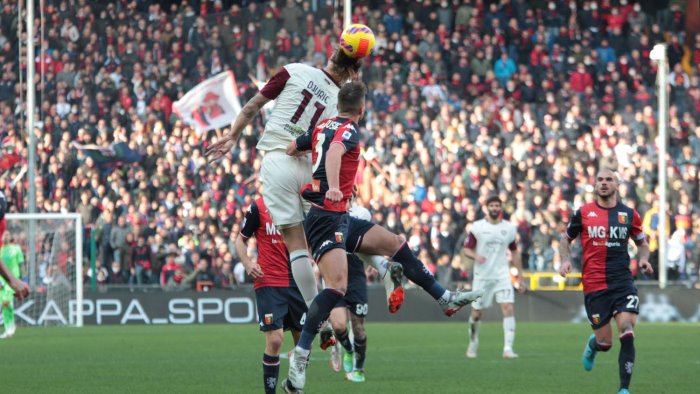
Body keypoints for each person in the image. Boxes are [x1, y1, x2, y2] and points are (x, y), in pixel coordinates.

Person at [283, 81, 482, 393]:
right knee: (337, 288)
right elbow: (335, 150)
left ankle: (444, 298)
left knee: (396, 244)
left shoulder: (324, 125)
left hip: (340, 216)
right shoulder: (349, 129)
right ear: (362, 109)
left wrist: (307, 172)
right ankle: (301, 355)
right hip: (326, 214)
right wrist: (332, 184)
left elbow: (294, 147)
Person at [206, 48, 405, 315]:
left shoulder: (294, 70)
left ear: (333, 55)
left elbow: (253, 105)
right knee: (334, 232)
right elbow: (335, 144)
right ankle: (383, 268)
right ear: (352, 71)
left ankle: (316, 315)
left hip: (279, 160)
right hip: (312, 169)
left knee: (296, 242)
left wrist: (233, 135)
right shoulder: (341, 101)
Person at [560, 170, 653, 394]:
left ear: (617, 185)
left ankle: (623, 389)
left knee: (627, 331)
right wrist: (565, 260)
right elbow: (565, 239)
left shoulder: (629, 214)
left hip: (622, 282)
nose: (603, 183)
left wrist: (643, 259)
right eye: (600, 179)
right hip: (594, 284)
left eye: (608, 179)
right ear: (595, 185)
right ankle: (594, 344)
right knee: (606, 344)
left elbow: (642, 242)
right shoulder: (582, 213)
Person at [234, 195, 307, 394]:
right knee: (274, 340)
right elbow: (239, 241)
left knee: (303, 344)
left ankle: (292, 386)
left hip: (297, 281)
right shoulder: (258, 206)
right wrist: (248, 263)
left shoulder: (298, 204)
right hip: (268, 281)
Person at [464, 195, 525, 359]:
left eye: (497, 205)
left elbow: (515, 253)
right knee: (477, 313)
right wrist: (476, 257)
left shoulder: (509, 228)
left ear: (501, 208)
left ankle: (508, 349)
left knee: (508, 308)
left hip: (502, 276)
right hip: (482, 276)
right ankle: (473, 341)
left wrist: (520, 277)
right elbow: (467, 249)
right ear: (486, 208)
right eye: (491, 205)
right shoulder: (477, 227)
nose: (494, 208)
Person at [329, 205, 374, 383]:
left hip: (356, 277)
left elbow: (369, 239)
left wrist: (374, 261)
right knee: (339, 325)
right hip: (334, 275)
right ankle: (347, 350)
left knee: (358, 327)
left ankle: (359, 370)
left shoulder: (362, 213)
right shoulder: (327, 210)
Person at [0, 192, 30, 339]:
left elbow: (21, 263)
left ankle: (10, 328)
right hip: (4, 279)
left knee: (6, 302)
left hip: (10, 278)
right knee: (5, 303)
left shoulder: (15, 247)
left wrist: (19, 279)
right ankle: (9, 327)